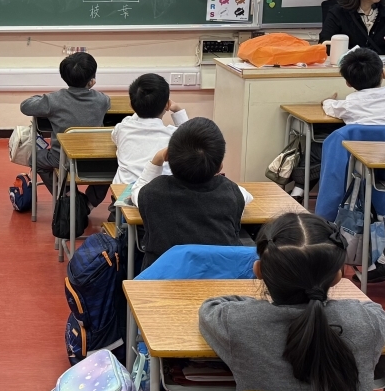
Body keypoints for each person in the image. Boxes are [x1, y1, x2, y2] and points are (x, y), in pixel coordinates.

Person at [184, 213, 385, 391]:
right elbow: (371, 309)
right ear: (338, 276)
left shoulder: (237, 322)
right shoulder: (368, 322)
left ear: (258, 271)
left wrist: (258, 306)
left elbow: (211, 308)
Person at [131, 118, 254, 270]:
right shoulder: (234, 193)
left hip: (162, 278)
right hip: (220, 278)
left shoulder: (152, 192)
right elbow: (247, 196)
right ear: (220, 166)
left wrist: (157, 160)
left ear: (169, 156)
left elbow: (136, 190)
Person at [19, 51, 111, 196]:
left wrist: (44, 97)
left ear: (64, 77)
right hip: (94, 158)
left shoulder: (54, 100)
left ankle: (67, 196)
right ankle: (89, 202)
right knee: (113, 166)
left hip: (62, 159)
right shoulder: (102, 100)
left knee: (35, 159)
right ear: (92, 79)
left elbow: (25, 106)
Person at [112, 73, 189, 186]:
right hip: (159, 193)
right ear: (167, 105)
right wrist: (178, 110)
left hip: (123, 194)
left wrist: (138, 109)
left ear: (131, 105)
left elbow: (116, 134)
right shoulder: (174, 136)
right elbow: (189, 136)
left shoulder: (122, 128)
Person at [320, 48, 385, 125]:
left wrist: (326, 101)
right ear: (383, 74)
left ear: (348, 83)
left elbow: (330, 108)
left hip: (358, 140)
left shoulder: (350, 104)